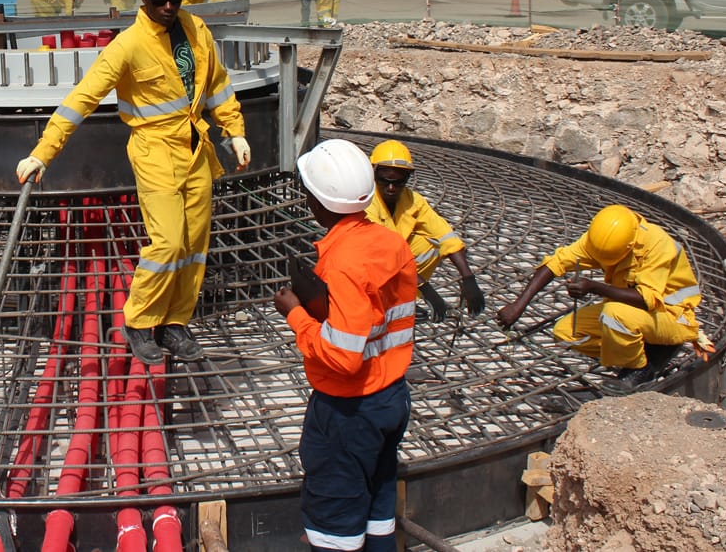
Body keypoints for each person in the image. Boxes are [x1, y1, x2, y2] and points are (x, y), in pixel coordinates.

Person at [15, 0, 250, 364]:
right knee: (168, 242)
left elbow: (217, 87)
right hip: (155, 151)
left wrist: (235, 131)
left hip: (196, 149)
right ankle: (140, 321)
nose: (168, 6)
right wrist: (42, 152)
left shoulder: (197, 30)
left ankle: (175, 322)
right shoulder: (127, 46)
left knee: (195, 245)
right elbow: (81, 101)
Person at [273, 138, 417, 552]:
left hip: (348, 411)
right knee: (377, 509)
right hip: (391, 397)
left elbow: (343, 356)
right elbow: (375, 320)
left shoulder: (342, 264)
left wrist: (296, 314)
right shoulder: (390, 242)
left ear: (317, 202)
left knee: (335, 526)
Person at [495, 203, 703, 393]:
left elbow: (646, 298)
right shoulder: (602, 238)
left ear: (629, 246)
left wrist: (595, 287)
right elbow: (557, 262)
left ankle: (640, 371)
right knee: (567, 332)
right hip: (633, 313)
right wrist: (518, 305)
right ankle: (638, 349)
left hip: (672, 316)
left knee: (614, 314)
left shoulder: (657, 245)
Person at [365, 140, 485, 321]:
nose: (391, 188)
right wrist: (426, 289)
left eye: (398, 182)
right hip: (370, 269)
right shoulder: (366, 203)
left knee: (433, 243)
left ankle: (402, 295)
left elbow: (445, 235)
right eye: (384, 181)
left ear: (407, 178)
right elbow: (387, 255)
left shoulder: (412, 200)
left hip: (398, 267)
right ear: (373, 173)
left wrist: (468, 278)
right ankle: (385, 300)